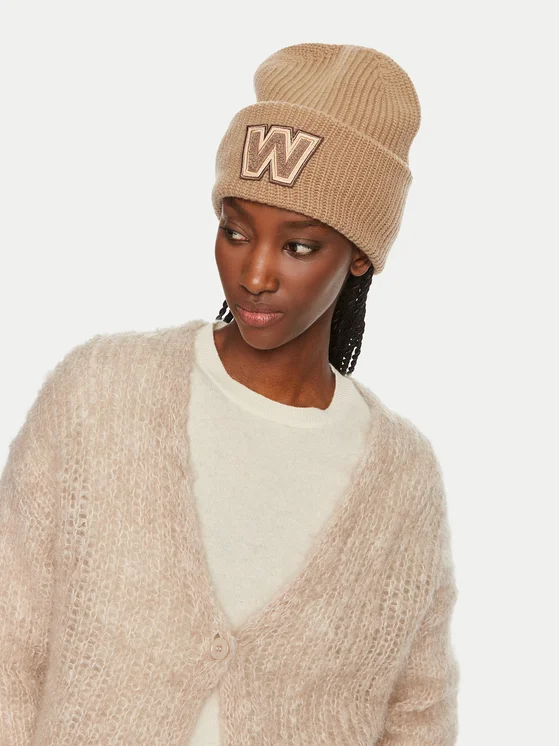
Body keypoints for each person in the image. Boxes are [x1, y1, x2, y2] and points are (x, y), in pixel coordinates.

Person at [0, 43, 459, 745]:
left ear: (360, 256)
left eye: (299, 246)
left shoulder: (402, 476)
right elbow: (11, 638)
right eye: (236, 231)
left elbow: (419, 714)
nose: (255, 274)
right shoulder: (100, 393)